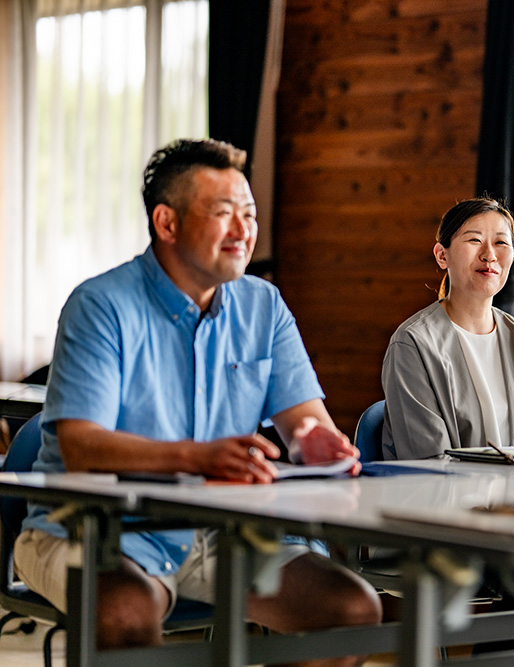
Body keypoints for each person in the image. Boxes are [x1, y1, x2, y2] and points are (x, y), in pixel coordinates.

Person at [13, 139, 381, 661]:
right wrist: (197, 457)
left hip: (223, 530)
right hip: (93, 527)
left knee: (350, 610)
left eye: (249, 214)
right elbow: (82, 448)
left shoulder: (263, 305)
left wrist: (315, 441)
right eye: (224, 213)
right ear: (167, 224)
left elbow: (304, 422)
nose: (244, 230)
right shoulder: (100, 305)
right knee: (124, 612)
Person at [381, 197, 514, 460]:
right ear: (442, 256)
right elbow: (429, 461)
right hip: (446, 498)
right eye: (474, 240)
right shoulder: (413, 344)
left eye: (501, 242)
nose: (489, 255)